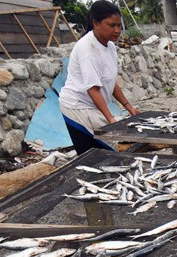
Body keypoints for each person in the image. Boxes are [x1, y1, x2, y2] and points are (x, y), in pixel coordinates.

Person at [59, 0, 138, 154]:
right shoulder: (87, 48)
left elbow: (110, 82)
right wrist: (110, 119)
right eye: (112, 25)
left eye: (119, 25)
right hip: (77, 108)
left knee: (106, 150)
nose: (117, 30)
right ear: (96, 23)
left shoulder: (110, 46)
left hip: (93, 107)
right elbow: (93, 89)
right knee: (98, 152)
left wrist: (129, 108)